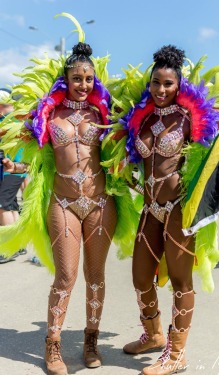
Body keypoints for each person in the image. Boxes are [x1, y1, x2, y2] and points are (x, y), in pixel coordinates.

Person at [2, 42, 117, 374]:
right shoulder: (47, 113)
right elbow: (33, 158)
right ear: (64, 79)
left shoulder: (106, 112)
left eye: (88, 79)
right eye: (76, 78)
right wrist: (16, 166)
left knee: (95, 276)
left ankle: (91, 341)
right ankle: (52, 345)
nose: (83, 85)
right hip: (63, 202)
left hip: (99, 203)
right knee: (65, 276)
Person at [114, 45, 219, 375]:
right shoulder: (142, 116)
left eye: (168, 84)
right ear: (149, 83)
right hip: (150, 208)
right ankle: (153, 334)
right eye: (156, 83)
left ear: (180, 86)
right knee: (139, 277)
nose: (161, 90)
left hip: (177, 210)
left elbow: (212, 160)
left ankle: (177, 353)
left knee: (180, 279)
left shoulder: (192, 117)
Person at [0, 88, 28, 264]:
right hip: (19, 167)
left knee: (2, 205)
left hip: (13, 167)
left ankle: (10, 248)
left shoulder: (8, 119)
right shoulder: (16, 116)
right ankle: (19, 244)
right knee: (10, 204)